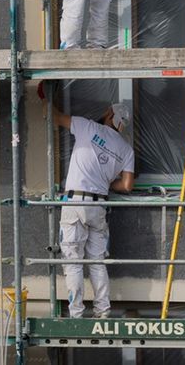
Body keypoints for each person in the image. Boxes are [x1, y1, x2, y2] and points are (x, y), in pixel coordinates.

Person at [50, 101, 134, 319]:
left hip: (75, 203)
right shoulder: (126, 150)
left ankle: (76, 314)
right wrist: (106, 184)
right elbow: (126, 185)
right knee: (97, 263)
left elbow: (55, 117)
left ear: (108, 114)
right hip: (98, 206)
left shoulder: (88, 127)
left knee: (73, 262)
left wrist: (42, 97)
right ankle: (103, 312)